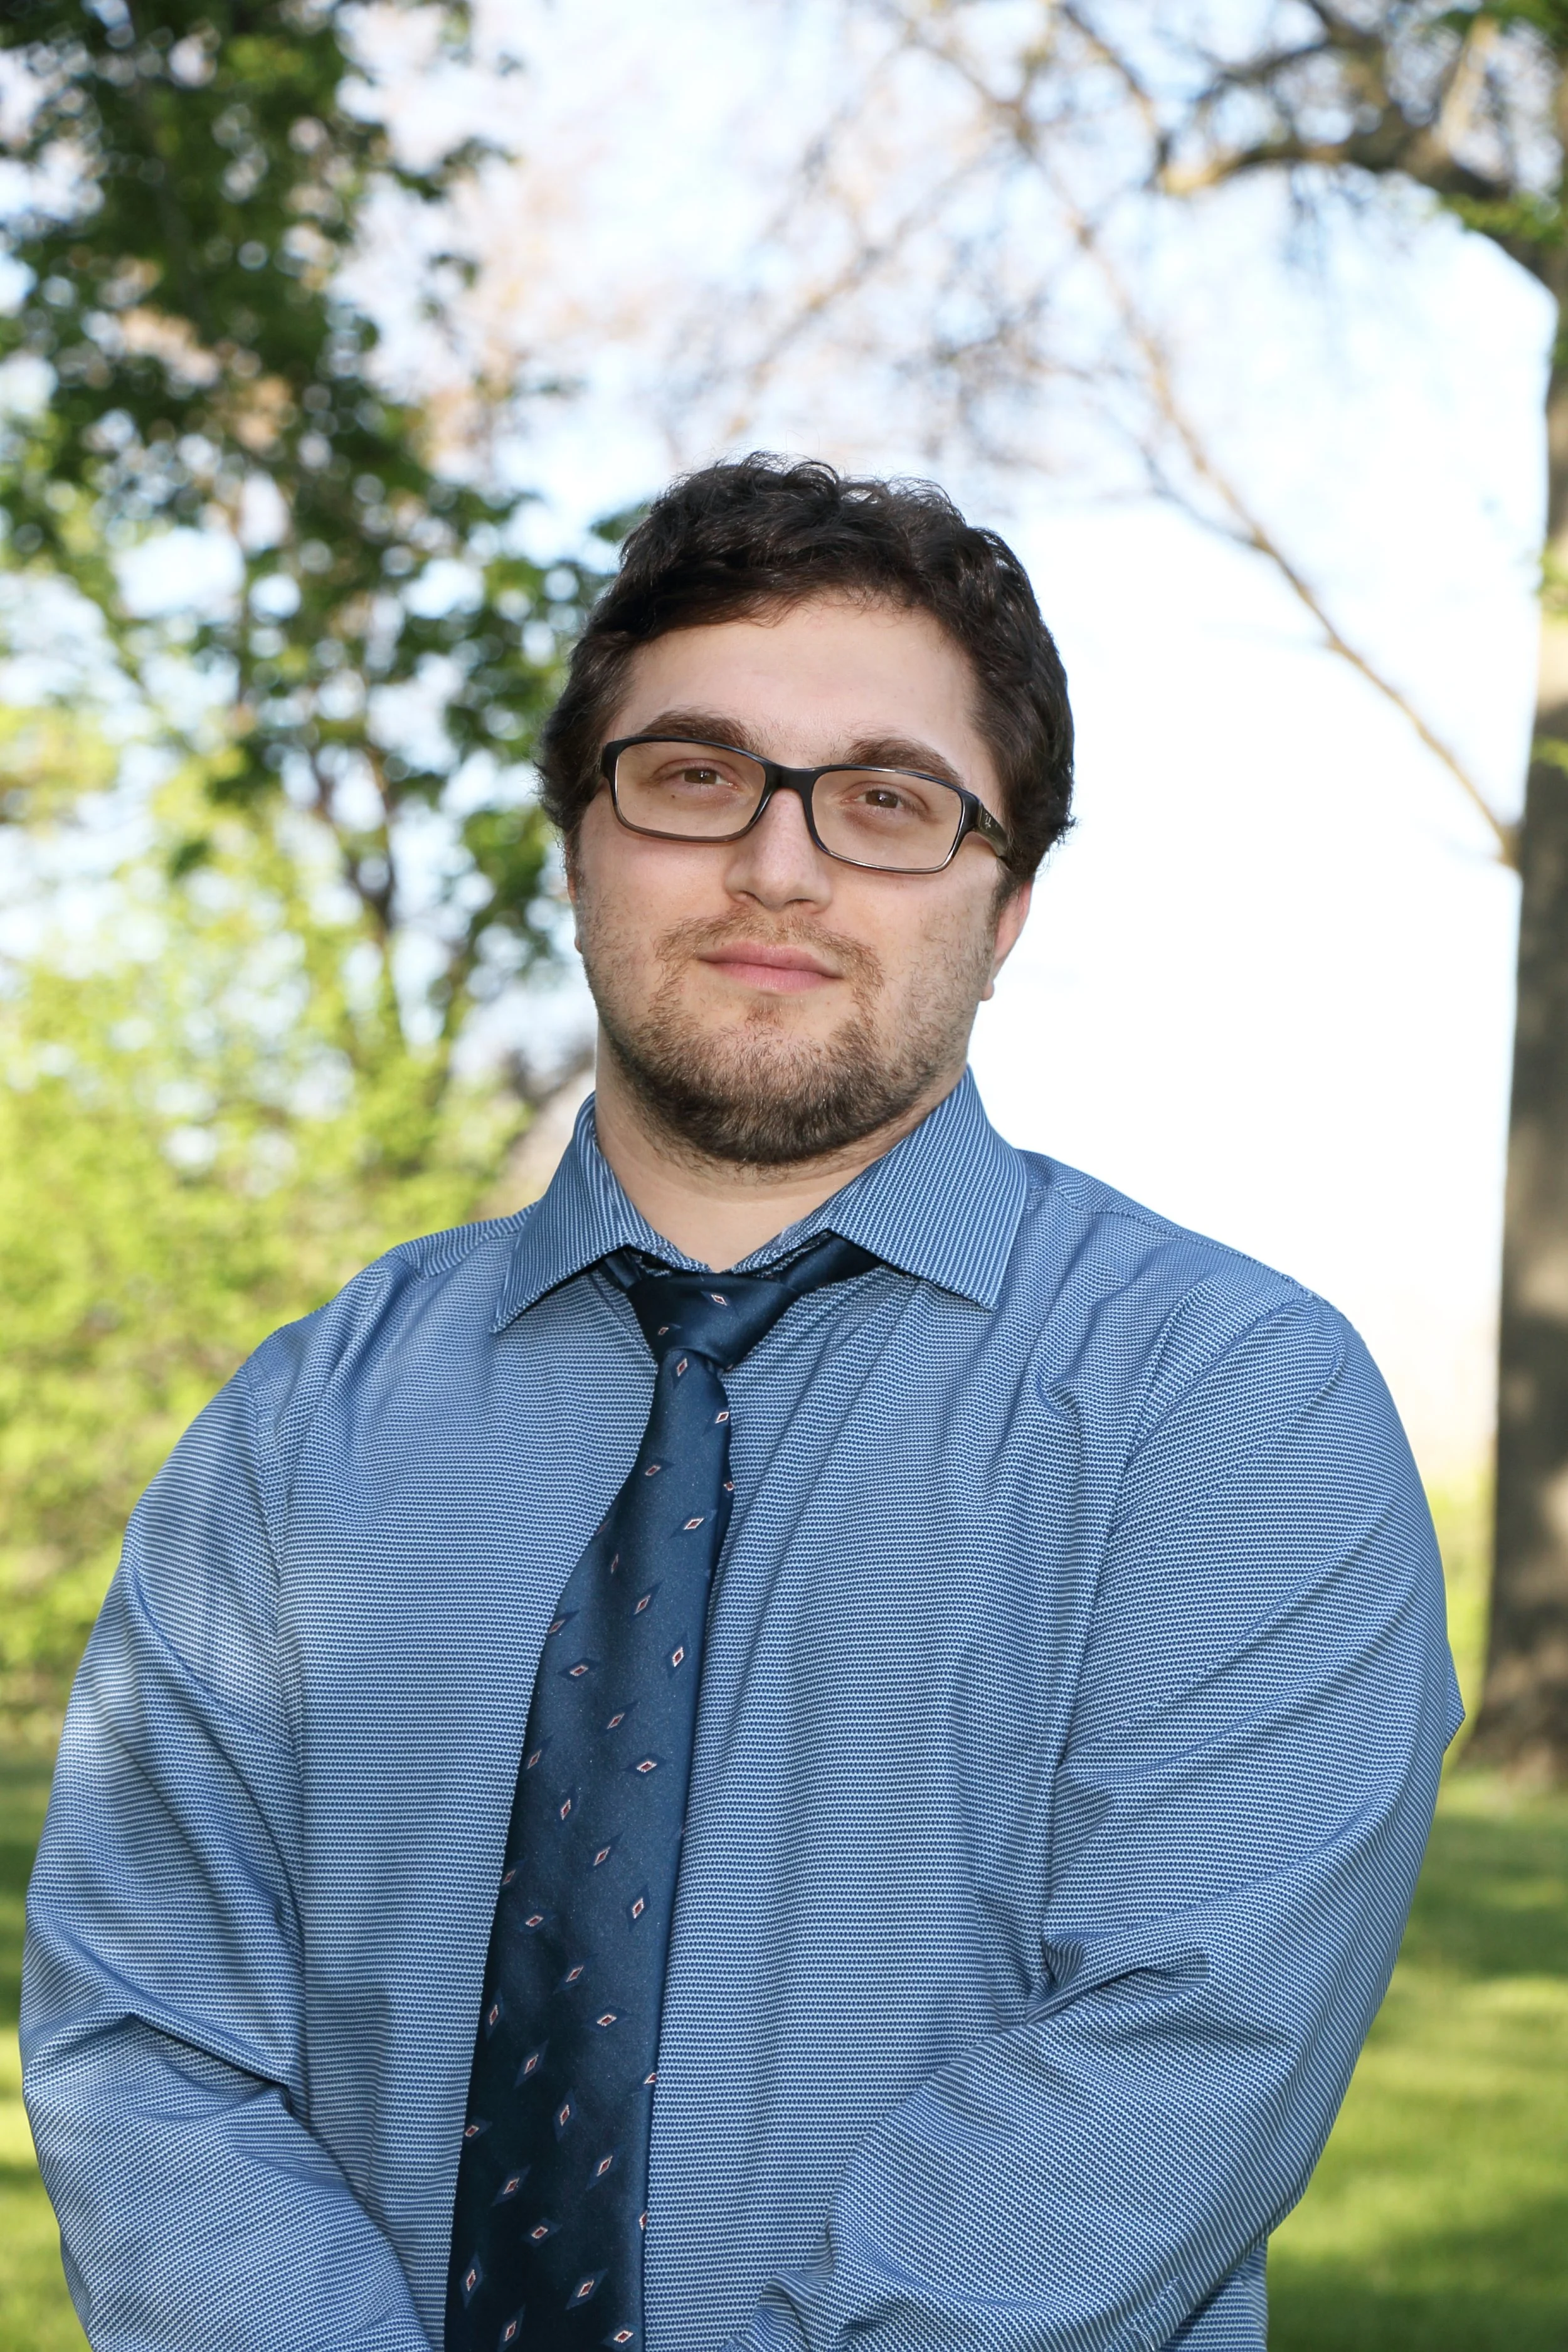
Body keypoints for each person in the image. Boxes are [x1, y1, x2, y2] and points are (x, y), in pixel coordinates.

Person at [23, 455, 1459, 2352]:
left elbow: (1176, 2051)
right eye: (693, 777)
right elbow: (149, 2037)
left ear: (1006, 901)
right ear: (576, 837)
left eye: (885, 800)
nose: (778, 863)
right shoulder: (302, 1430)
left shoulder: (1228, 1410)